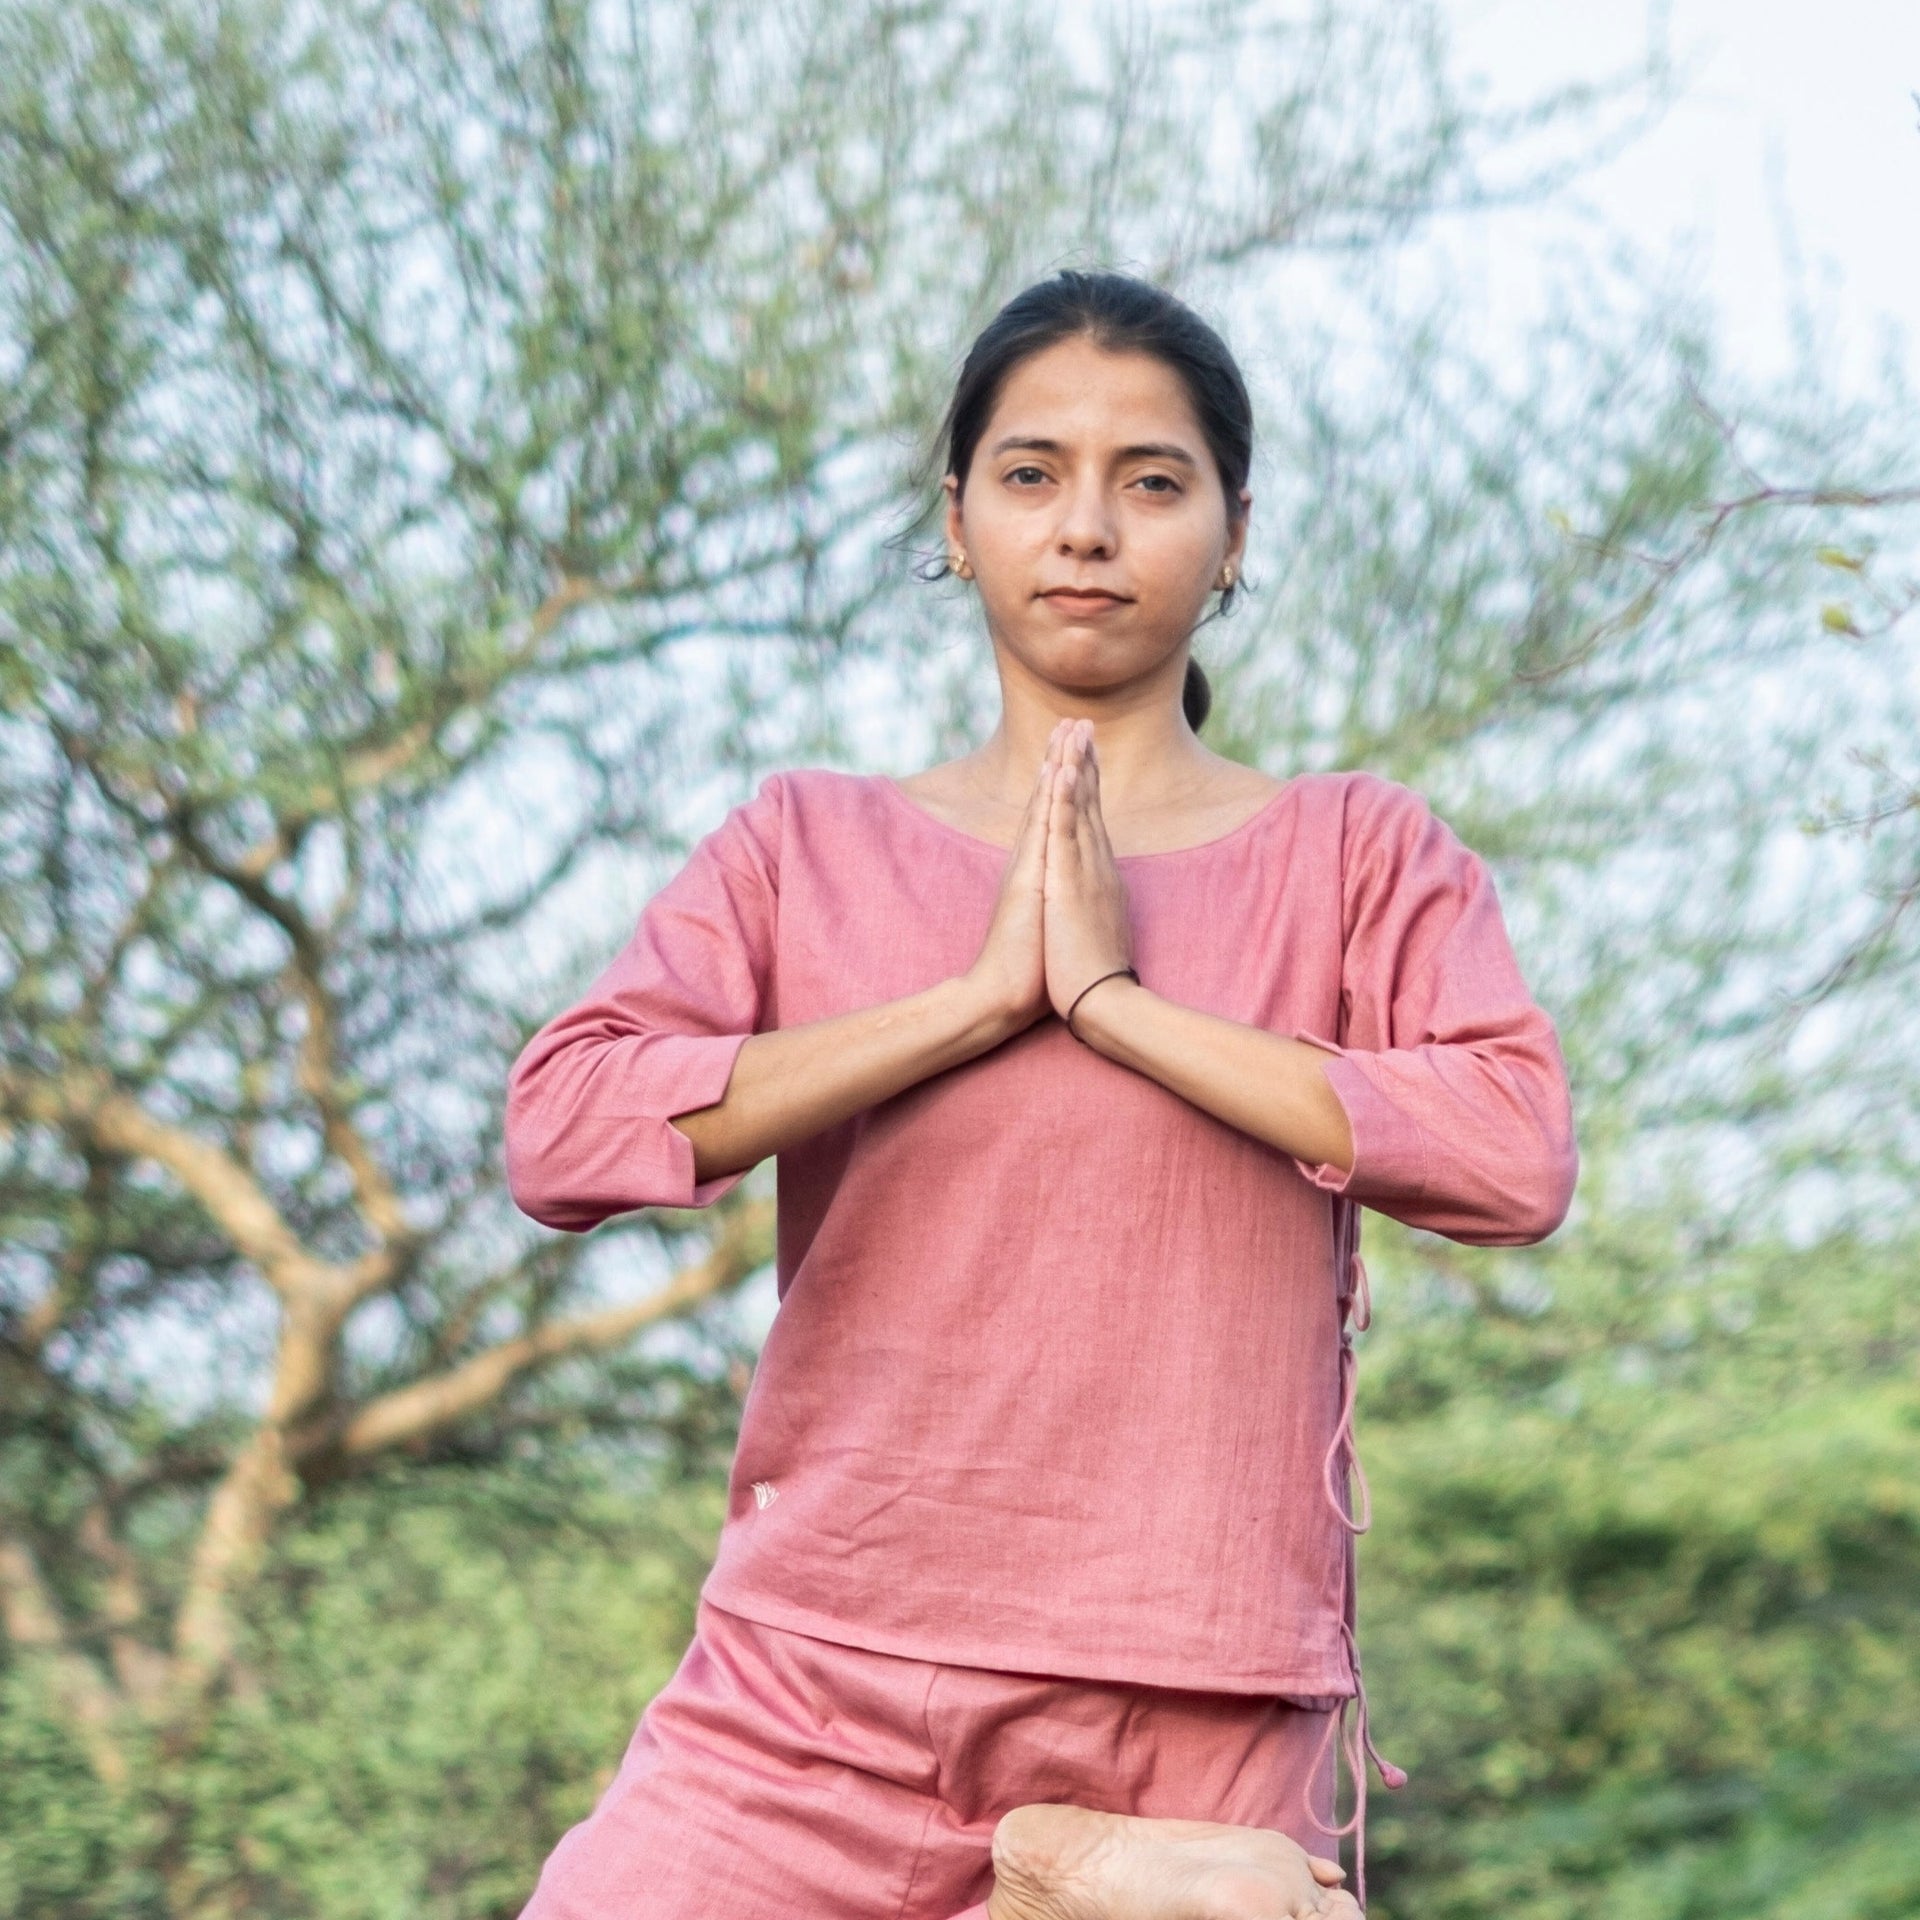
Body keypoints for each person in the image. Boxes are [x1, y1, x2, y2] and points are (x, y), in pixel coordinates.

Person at [504, 269, 1579, 1920]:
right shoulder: (806, 843)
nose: (1087, 527)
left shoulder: (1358, 852)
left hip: (1195, 1710)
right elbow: (564, 1126)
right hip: (812, 1680)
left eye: (1152, 481)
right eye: (1032, 473)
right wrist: (967, 1004)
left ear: (1230, 536)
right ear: (956, 519)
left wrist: (1116, 1008)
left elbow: (1513, 1154)